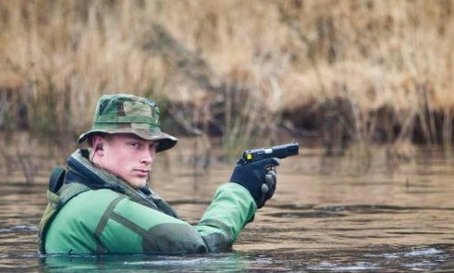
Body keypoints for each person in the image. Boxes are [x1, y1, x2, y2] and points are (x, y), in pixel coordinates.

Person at [39, 93, 280, 255]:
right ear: (99, 146)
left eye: (152, 147)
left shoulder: (82, 194)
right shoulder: (104, 205)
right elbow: (199, 249)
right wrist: (238, 193)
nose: (148, 157)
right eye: (135, 145)